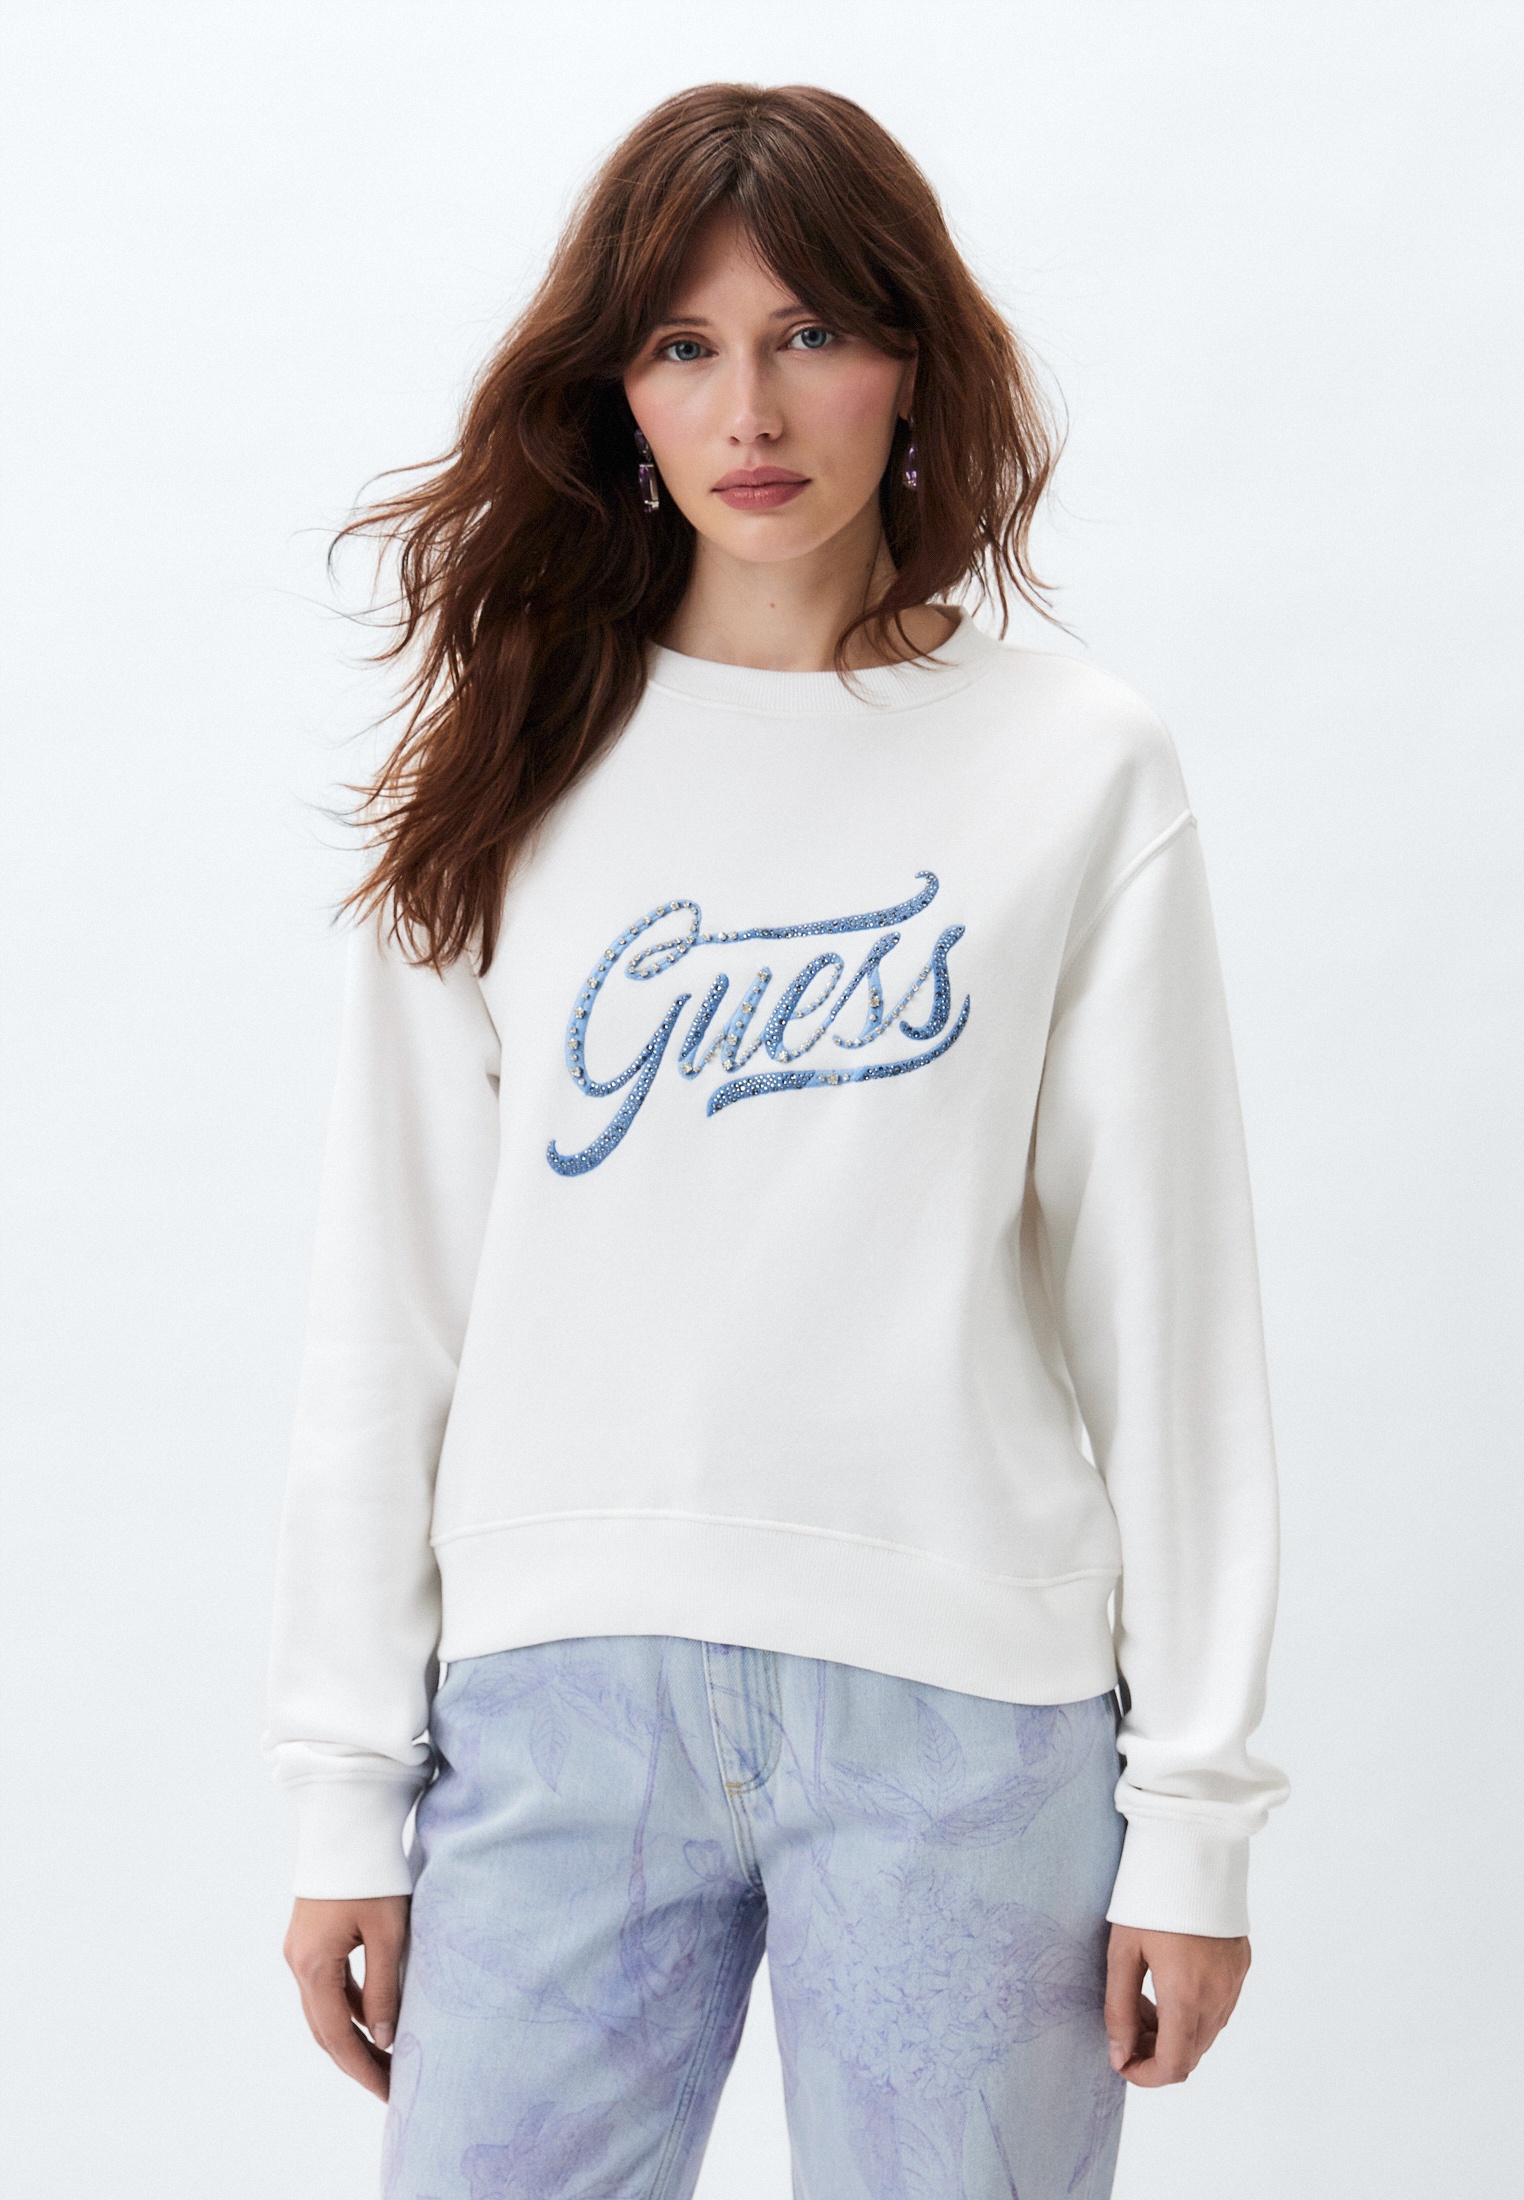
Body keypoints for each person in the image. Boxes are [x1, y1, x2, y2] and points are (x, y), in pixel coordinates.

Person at [266, 81, 1288, 2200]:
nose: (750, 408)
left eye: (813, 332)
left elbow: (1165, 1312)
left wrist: (1197, 1811)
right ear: (616, 391)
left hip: (966, 1721)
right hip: (558, 1708)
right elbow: (391, 1307)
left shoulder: (1073, 766)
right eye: (684, 345)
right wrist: (343, 1789)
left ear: (912, 362)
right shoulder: (505, 769)